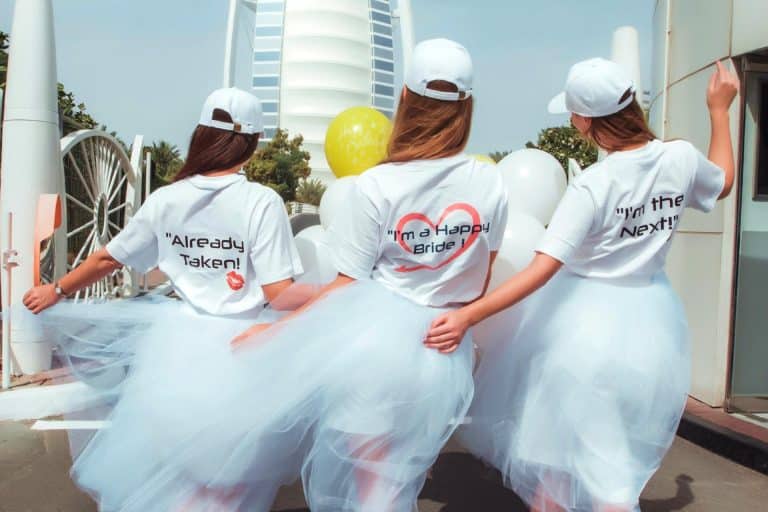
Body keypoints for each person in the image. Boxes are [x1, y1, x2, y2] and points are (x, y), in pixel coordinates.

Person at [423, 58, 739, 512]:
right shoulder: (681, 158)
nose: (571, 123)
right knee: (610, 463)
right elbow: (724, 182)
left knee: (554, 467)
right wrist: (719, 112)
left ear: (587, 120)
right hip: (651, 330)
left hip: (581, 336)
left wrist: (467, 315)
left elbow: (541, 270)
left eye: (572, 114)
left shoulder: (594, 185)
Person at [219, 38, 508, 511]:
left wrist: (273, 334)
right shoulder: (489, 182)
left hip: (375, 354)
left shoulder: (375, 184)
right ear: (466, 108)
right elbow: (477, 283)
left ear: (405, 101)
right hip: (443, 354)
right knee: (399, 487)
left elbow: (344, 289)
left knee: (373, 491)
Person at [20, 87, 304, 511]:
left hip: (174, 352)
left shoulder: (167, 199)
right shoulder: (261, 202)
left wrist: (56, 289)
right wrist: (338, 291)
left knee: (178, 473)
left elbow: (106, 258)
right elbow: (280, 295)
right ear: (252, 141)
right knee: (231, 481)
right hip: (243, 353)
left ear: (202, 135)